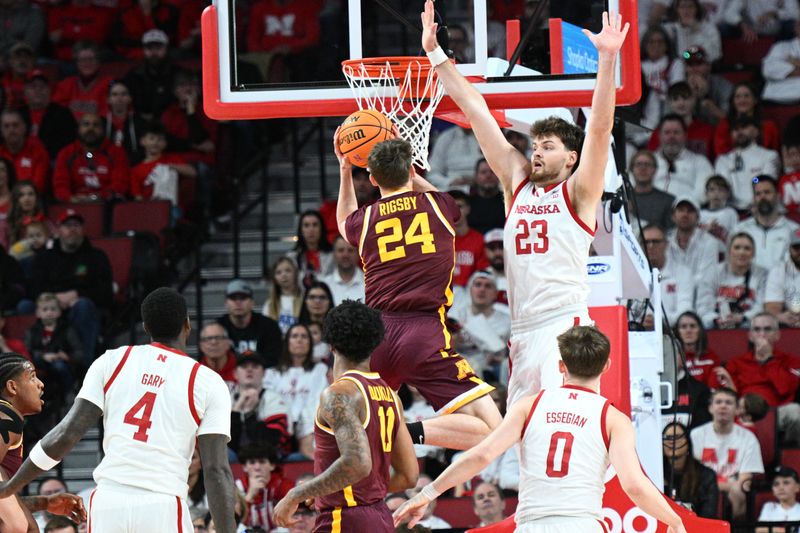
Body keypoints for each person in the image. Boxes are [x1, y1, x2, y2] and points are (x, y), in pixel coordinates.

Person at [421, 3, 629, 409]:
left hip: (563, 323)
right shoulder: (517, 183)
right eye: (534, 145)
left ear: (571, 158)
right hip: (522, 330)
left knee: (558, 425)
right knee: (525, 441)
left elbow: (600, 127)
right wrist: (436, 56)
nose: (535, 153)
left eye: (547, 147)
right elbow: (476, 111)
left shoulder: (579, 191)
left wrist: (607, 60)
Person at [392, 325, 686, 533]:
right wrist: (673, 520)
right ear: (607, 365)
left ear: (561, 366)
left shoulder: (528, 406)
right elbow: (634, 485)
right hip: (582, 524)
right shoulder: (613, 418)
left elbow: (482, 455)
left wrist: (427, 493)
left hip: (532, 525)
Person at [0, 288, 238, 532]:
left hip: (108, 503)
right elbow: (216, 469)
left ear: (145, 327)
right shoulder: (207, 381)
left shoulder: (112, 360)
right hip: (161, 503)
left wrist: (11, 487)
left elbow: (65, 435)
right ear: (187, 325)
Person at [335, 134, 499, 449]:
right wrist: (411, 174)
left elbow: (344, 221)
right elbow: (436, 196)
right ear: (412, 171)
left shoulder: (364, 219)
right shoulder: (441, 205)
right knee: (492, 429)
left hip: (377, 336)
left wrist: (345, 168)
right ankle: (406, 434)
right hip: (425, 334)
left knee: (354, 425)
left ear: (370, 179)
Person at [272, 301, 419, 531]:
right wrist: (327, 487)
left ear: (330, 344)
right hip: (380, 518)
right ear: (375, 344)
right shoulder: (391, 396)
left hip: (345, 519)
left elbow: (357, 463)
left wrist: (297, 493)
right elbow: (409, 475)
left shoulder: (338, 395)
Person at [0, 354, 86, 533]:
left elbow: (5, 499)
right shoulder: (6, 416)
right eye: (32, 377)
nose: (41, 384)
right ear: (12, 387)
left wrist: (44, 502)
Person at [715, 312, 800, 445]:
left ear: (777, 335)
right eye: (757, 329)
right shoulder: (736, 363)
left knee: (795, 411)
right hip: (744, 413)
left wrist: (768, 359)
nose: (762, 334)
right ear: (750, 336)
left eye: (767, 329)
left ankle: (787, 454)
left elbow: (786, 389)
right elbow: (731, 398)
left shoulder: (791, 361)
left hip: (776, 413)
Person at [690, 387, 764, 520]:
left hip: (733, 490)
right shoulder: (696, 435)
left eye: (728, 403)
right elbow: (693, 474)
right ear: (710, 408)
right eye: (718, 402)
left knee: (738, 491)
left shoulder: (748, 438)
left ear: (737, 410)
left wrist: (728, 486)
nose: (723, 406)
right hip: (703, 485)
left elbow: (744, 482)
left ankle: (736, 529)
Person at [697, 232, 767, 329]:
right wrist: (716, 319)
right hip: (715, 328)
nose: (741, 252)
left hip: (748, 327)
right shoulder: (712, 272)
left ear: (753, 253)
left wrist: (743, 318)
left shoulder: (762, 275)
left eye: (747, 248)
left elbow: (762, 307)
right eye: (737, 247)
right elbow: (703, 307)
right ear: (729, 251)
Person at [733, 175, 800, 271]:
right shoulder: (739, 229)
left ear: (778, 196)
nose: (762, 197)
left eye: (767, 192)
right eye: (758, 194)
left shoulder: (794, 230)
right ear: (753, 199)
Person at [714, 117, 781, 210]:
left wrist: (754, 180)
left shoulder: (769, 156)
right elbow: (723, 186)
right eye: (735, 129)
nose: (739, 132)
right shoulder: (723, 160)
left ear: (757, 131)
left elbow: (765, 182)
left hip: (762, 207)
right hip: (731, 210)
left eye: (744, 127)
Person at [216, 279, 282, 368]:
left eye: (243, 298)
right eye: (233, 298)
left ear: (252, 303)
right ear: (226, 303)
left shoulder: (269, 326)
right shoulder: (217, 328)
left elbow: (274, 360)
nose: (238, 302)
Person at [661, 422, 719, 518]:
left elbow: (708, 515)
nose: (672, 442)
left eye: (677, 437)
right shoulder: (656, 474)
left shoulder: (706, 476)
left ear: (688, 443)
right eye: (667, 438)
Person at [630, 150, 676, 230]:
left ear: (655, 170)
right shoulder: (623, 199)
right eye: (638, 164)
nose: (643, 168)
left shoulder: (668, 200)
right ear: (631, 169)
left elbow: (670, 233)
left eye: (647, 164)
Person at [764, 228, 800, 328]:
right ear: (789, 249)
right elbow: (772, 307)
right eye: (797, 247)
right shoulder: (778, 271)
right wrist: (781, 317)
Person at [762, 19, 800, 104]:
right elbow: (768, 70)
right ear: (795, 27)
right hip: (777, 97)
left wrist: (795, 64)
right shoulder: (780, 47)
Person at [319, 236, 365, 306]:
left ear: (358, 254)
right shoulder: (324, 285)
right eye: (341, 250)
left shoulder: (370, 285)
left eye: (350, 250)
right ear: (333, 254)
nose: (345, 255)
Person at [262, 256, 303, 334]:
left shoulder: (304, 300)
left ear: (295, 273)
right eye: (278, 272)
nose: (284, 275)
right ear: (274, 278)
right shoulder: (269, 305)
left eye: (288, 270)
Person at [757, 465, 800, 531]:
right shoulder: (769, 507)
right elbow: (759, 530)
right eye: (776, 484)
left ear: (797, 487)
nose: (781, 487)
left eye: (786, 483)